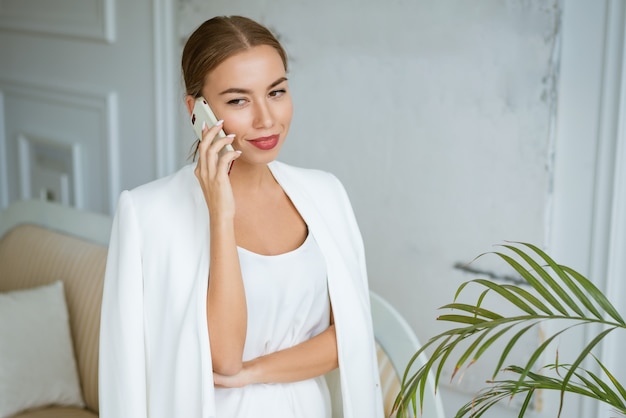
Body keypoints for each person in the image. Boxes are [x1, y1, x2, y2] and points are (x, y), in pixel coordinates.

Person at [98, 15, 383, 418]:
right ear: (197, 110)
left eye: (277, 91)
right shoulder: (147, 215)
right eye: (238, 100)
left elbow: (352, 336)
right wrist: (220, 214)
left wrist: (256, 372)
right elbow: (222, 359)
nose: (266, 119)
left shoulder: (326, 194)